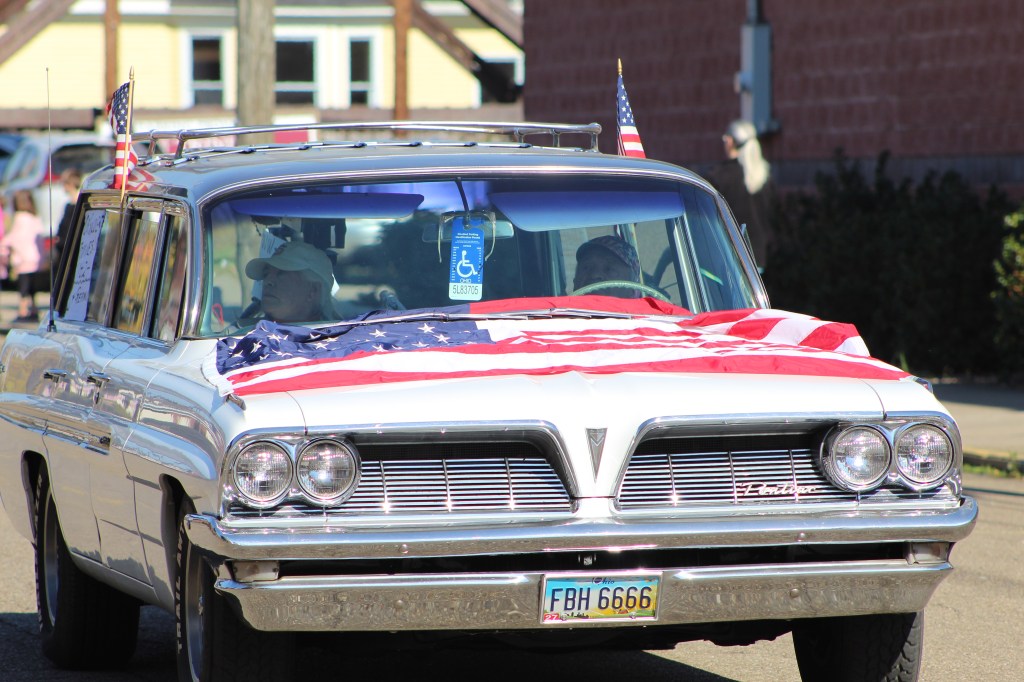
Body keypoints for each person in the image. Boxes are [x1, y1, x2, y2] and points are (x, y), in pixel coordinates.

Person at [707, 119, 777, 270]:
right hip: (759, 255)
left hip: (729, 253)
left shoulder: (720, 175)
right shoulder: (765, 175)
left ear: (730, 141)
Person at [244, 240, 337, 324]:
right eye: (266, 274)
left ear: (313, 291)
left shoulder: (335, 341)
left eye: (282, 274)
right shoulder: (241, 337)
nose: (268, 281)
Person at [1, 189, 43, 323]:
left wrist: (4, 245)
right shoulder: (35, 217)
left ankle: (23, 310)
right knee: (32, 287)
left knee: (23, 287)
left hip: (23, 258)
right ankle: (34, 310)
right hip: (34, 257)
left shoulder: (19, 218)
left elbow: (15, 237)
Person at [573, 235, 642, 298]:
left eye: (609, 269)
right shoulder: (562, 310)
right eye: (586, 267)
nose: (594, 275)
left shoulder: (649, 311)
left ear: (633, 289)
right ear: (574, 281)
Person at [55, 168, 82, 264]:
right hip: (65, 246)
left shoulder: (78, 205)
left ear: (70, 184)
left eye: (64, 183)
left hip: (73, 248)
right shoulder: (69, 204)